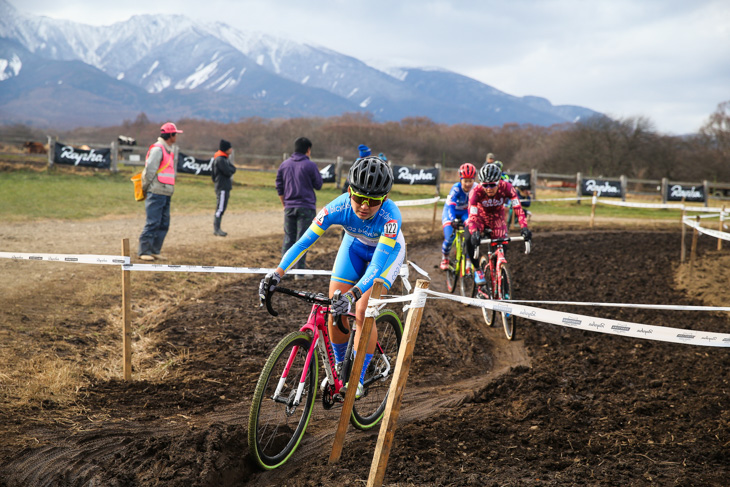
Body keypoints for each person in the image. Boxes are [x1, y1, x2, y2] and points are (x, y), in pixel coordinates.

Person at [260, 156, 404, 399]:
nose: (364, 206)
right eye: (359, 198)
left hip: (387, 254)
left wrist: (354, 295)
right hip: (354, 246)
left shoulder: (391, 217)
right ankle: (339, 369)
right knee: (334, 307)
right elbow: (304, 242)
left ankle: (357, 377)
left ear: (385, 199)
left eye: (373, 201)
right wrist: (277, 273)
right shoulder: (337, 208)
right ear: (349, 191)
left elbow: (377, 266)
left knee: (361, 310)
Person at [465, 163, 532, 285]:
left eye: (492, 185)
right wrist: (475, 231)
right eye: (485, 185)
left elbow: (518, 208)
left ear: (499, 181)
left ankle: (500, 273)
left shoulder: (507, 187)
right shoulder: (476, 191)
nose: (489, 188)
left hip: (497, 219)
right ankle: (478, 270)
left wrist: (524, 227)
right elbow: (472, 215)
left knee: (502, 245)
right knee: (469, 238)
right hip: (479, 218)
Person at [276, 137, 323, 279]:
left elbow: (279, 186)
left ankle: (283, 272)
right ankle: (299, 272)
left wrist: (284, 204)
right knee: (303, 240)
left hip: (289, 206)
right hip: (306, 207)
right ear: (308, 150)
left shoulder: (284, 165)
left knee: (289, 238)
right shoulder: (310, 165)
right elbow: (318, 185)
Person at [138, 122, 182, 261]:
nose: (176, 137)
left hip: (166, 192)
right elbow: (149, 171)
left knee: (164, 223)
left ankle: (155, 250)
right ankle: (144, 251)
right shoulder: (158, 149)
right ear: (170, 135)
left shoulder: (168, 149)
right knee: (153, 222)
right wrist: (145, 188)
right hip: (156, 191)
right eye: (175, 134)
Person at [439, 163, 477, 270]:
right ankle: (445, 258)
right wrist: (453, 219)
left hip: (465, 213)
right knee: (449, 238)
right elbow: (451, 206)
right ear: (461, 180)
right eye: (465, 181)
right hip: (451, 212)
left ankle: (469, 261)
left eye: (471, 180)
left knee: (470, 236)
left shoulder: (476, 188)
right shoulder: (456, 188)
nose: (468, 184)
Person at [212, 139, 236, 237]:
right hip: (222, 187)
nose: (231, 150)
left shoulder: (225, 158)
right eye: (230, 148)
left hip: (225, 187)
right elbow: (228, 171)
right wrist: (230, 170)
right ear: (226, 149)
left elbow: (233, 169)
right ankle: (216, 228)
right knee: (220, 208)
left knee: (222, 207)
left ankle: (218, 228)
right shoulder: (220, 159)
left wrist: (231, 170)